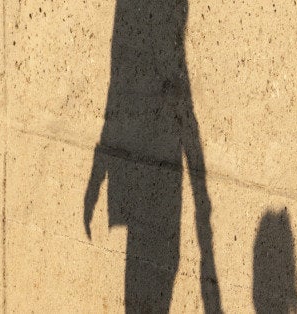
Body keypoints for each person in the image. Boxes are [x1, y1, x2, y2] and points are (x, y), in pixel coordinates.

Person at [83, 1, 221, 312]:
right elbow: (116, 92)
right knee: (146, 286)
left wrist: (96, 176)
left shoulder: (147, 36)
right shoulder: (151, 37)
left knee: (147, 285)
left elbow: (115, 93)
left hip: (155, 171)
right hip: (151, 173)